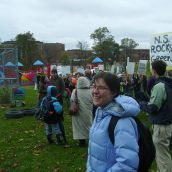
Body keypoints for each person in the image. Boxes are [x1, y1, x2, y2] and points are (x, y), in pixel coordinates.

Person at [87, 72, 140, 172]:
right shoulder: (101, 112)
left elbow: (127, 165)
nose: (95, 91)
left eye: (101, 88)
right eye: (94, 86)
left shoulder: (122, 122)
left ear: (114, 92)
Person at [140, 60, 172, 172]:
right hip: (167, 123)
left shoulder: (159, 86)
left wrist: (141, 104)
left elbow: (153, 107)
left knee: (162, 156)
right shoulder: (168, 83)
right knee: (162, 154)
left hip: (161, 125)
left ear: (153, 71)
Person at [70, 76, 93, 147]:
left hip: (77, 112)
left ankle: (81, 142)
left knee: (79, 127)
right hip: (88, 111)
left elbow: (72, 100)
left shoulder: (75, 91)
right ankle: (91, 140)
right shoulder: (91, 91)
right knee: (88, 125)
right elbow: (93, 101)